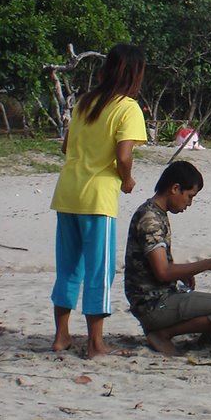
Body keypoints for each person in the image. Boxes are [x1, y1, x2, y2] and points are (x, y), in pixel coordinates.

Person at [50, 43, 148, 358]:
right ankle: (95, 342)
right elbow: (124, 155)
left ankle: (61, 336)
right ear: (135, 74)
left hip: (67, 193)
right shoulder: (128, 108)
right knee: (99, 270)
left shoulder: (83, 103)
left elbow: (67, 148)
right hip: (98, 197)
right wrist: (127, 179)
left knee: (68, 268)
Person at [124, 160, 211, 356]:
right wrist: (208, 264)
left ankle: (165, 331)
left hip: (154, 299)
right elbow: (163, 272)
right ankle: (163, 333)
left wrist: (181, 273)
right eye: (189, 196)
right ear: (175, 188)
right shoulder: (150, 219)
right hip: (153, 305)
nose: (189, 203)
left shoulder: (154, 212)